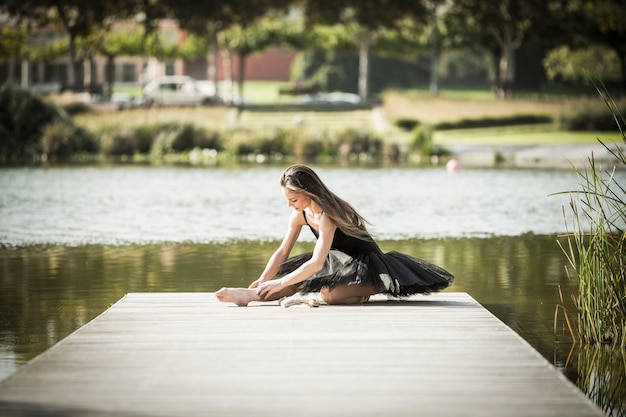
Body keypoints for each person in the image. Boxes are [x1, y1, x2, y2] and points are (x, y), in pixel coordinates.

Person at [215, 164, 454, 307]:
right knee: (285, 285)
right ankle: (248, 294)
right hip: (337, 263)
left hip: (368, 265)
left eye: (293, 200)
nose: (290, 205)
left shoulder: (329, 216)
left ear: (308, 193)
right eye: (287, 200)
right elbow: (282, 252)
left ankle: (369, 289)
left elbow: (317, 262)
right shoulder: (300, 214)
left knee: (328, 295)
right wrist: (265, 279)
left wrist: (280, 281)